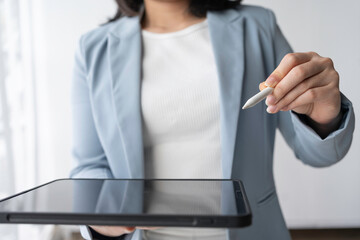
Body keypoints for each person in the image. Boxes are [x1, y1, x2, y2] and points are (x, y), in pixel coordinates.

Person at [70, 0, 355, 239]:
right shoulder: (94, 48)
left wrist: (323, 116)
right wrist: (103, 210)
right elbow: (89, 168)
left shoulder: (257, 26)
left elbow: (318, 154)